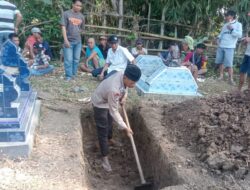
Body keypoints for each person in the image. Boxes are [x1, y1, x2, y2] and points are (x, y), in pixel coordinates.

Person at [91, 64, 141, 172]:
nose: (134, 85)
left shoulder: (124, 74)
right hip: (100, 102)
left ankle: (109, 140)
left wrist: (124, 97)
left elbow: (125, 87)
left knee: (109, 123)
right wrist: (125, 127)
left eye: (135, 82)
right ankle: (105, 159)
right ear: (125, 78)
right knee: (103, 129)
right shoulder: (114, 89)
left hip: (109, 99)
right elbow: (114, 110)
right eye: (132, 83)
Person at [215, 10, 242, 85]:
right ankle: (221, 76)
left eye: (227, 16)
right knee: (220, 62)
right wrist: (217, 39)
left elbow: (239, 35)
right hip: (221, 45)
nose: (226, 17)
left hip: (230, 47)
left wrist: (232, 29)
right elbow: (221, 34)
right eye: (226, 16)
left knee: (229, 64)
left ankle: (231, 79)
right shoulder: (225, 25)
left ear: (232, 16)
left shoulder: (238, 24)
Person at [60, 0, 85, 81]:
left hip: (78, 41)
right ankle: (68, 76)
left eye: (80, 6)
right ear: (73, 4)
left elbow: (82, 29)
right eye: (77, 5)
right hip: (68, 41)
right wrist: (65, 40)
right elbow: (63, 27)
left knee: (76, 59)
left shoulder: (82, 16)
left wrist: (78, 32)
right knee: (68, 60)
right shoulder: (66, 14)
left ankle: (73, 75)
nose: (78, 7)